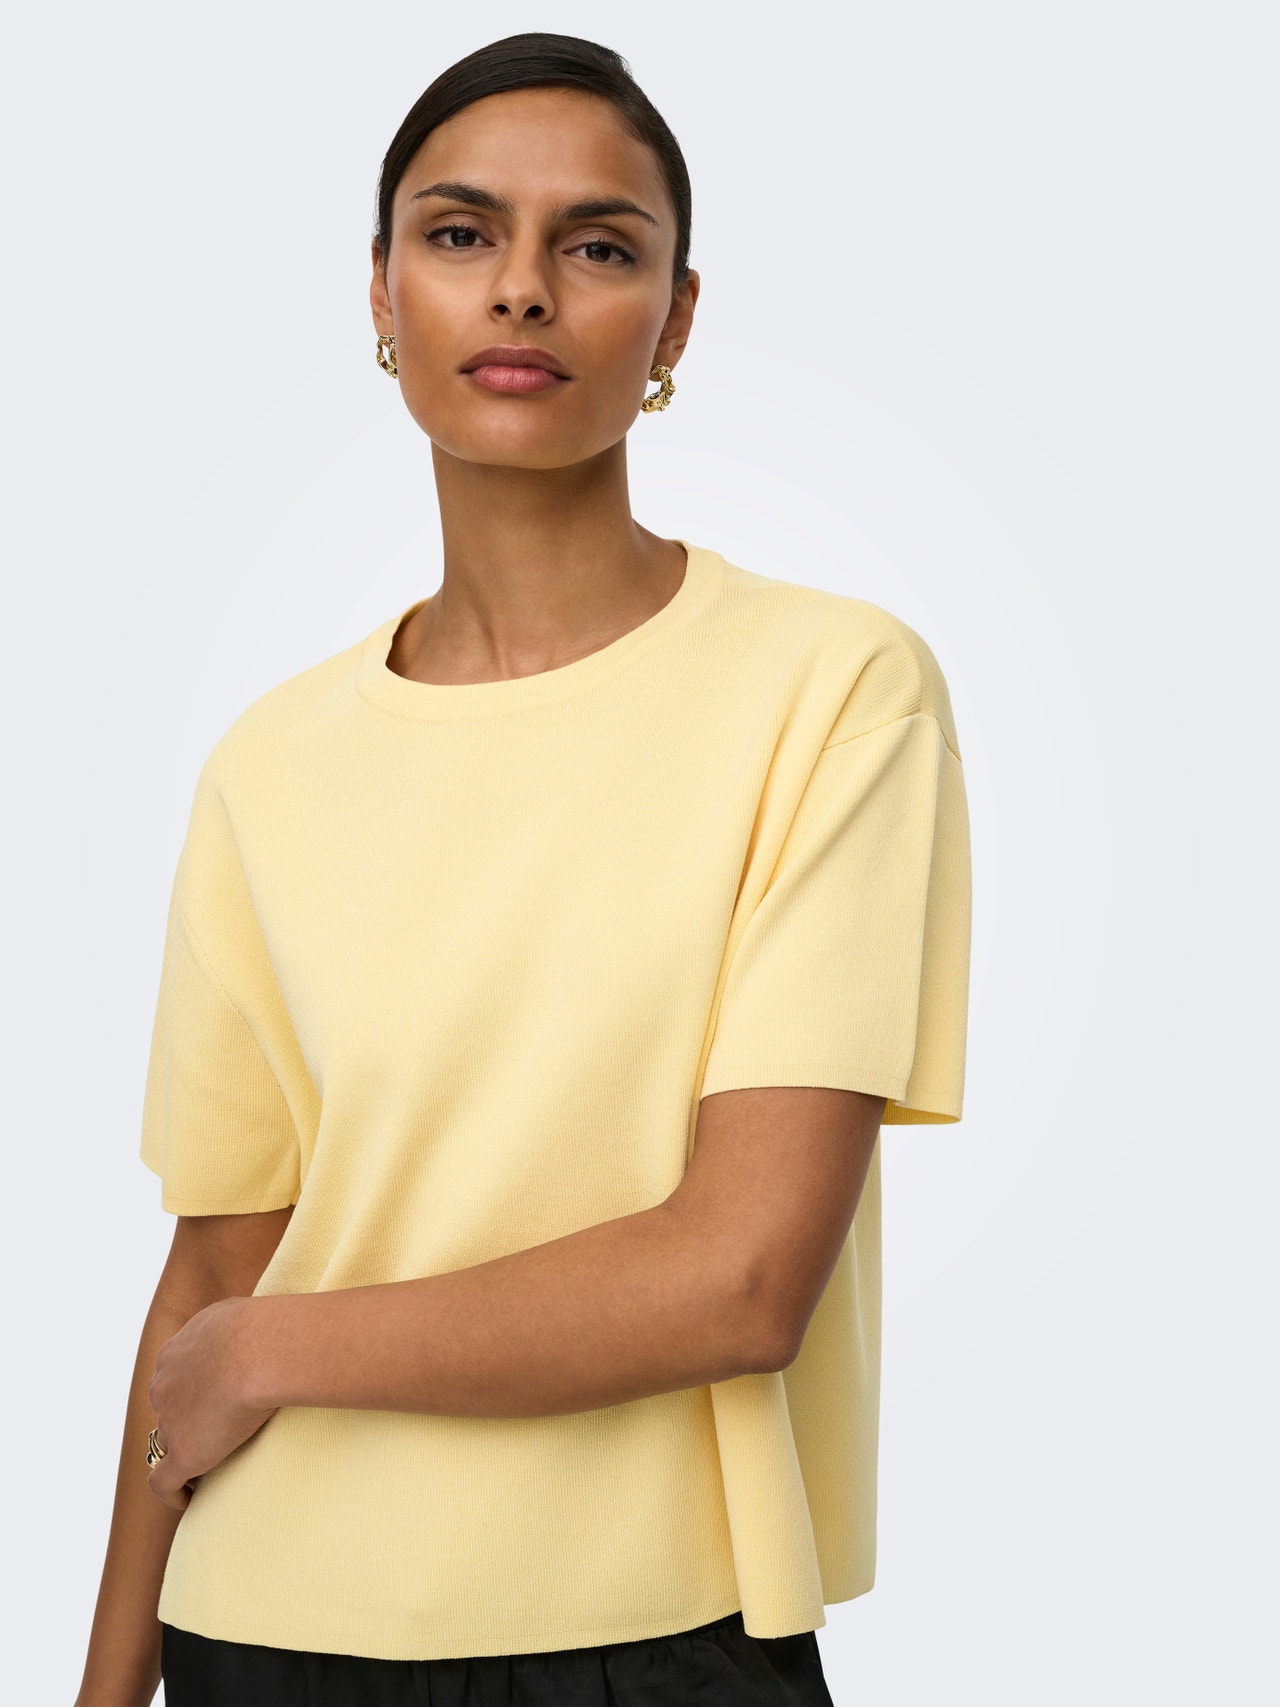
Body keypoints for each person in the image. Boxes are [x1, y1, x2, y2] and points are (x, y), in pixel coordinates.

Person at [75, 31, 971, 1707]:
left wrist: (278, 1348)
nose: (523, 290)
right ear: (382, 291)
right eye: (461, 232)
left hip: (651, 1646)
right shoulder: (271, 764)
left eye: (599, 246)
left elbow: (740, 1280)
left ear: (676, 322)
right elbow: (208, 1274)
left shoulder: (834, 691)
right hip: (258, 1624)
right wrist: (107, 1689)